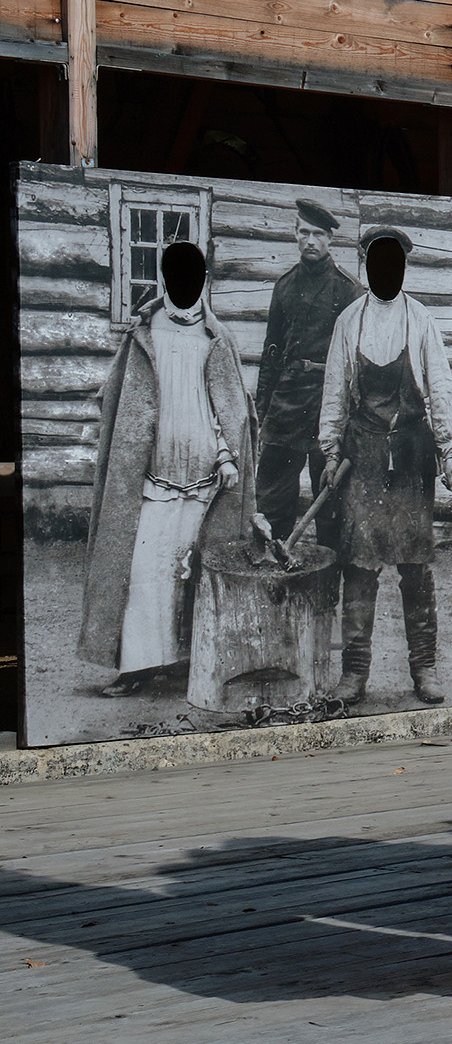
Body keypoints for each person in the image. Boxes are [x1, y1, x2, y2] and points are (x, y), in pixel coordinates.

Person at [79, 242, 255, 696]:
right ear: (164, 280)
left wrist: (226, 455)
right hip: (154, 480)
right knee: (145, 571)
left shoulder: (218, 340)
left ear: (205, 282)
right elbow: (117, 400)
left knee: (195, 571)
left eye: (194, 278)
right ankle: (137, 667)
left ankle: (191, 661)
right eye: (176, 277)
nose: (185, 285)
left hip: (206, 484)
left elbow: (228, 411)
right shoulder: (143, 335)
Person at [318, 226, 452, 706]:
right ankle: (354, 673)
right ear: (365, 266)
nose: (386, 270)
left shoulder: (419, 320)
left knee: (416, 569)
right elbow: (335, 391)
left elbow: (439, 387)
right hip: (364, 458)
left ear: (404, 266)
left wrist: (450, 450)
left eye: (395, 261)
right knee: (358, 568)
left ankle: (425, 669)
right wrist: (330, 451)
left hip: (412, 458)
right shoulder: (348, 322)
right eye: (378, 261)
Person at [255, 198, 355, 546]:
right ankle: (273, 561)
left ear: (330, 240)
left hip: (328, 403)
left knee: (328, 496)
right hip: (287, 400)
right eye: (303, 233)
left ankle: (326, 577)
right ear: (294, 235)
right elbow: (270, 352)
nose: (310, 241)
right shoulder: (284, 286)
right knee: (273, 494)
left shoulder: (348, 289)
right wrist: (262, 409)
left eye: (317, 234)